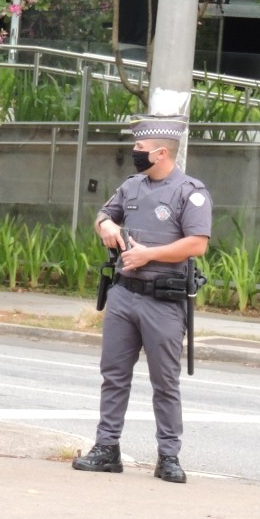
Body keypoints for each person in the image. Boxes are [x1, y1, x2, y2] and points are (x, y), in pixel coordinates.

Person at [72, 115, 212, 483]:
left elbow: (197, 243)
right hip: (123, 295)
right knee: (113, 375)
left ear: (161, 153)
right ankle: (106, 449)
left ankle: (168, 456)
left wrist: (149, 254)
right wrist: (107, 226)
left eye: (140, 148)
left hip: (163, 301)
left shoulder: (190, 192)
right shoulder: (131, 186)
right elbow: (104, 214)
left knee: (165, 382)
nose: (135, 153)